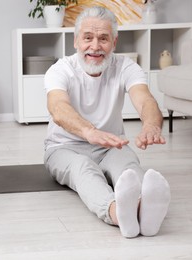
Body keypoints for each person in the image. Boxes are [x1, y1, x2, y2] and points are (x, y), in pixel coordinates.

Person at [43, 6, 171, 238]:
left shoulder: (126, 67)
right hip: (63, 148)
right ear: (76, 41)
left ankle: (145, 211)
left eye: (103, 38)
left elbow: (145, 101)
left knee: (129, 168)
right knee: (84, 170)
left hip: (110, 145)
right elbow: (58, 108)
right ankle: (117, 213)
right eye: (88, 38)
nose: (95, 46)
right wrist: (89, 131)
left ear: (114, 42)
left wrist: (151, 125)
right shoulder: (60, 69)